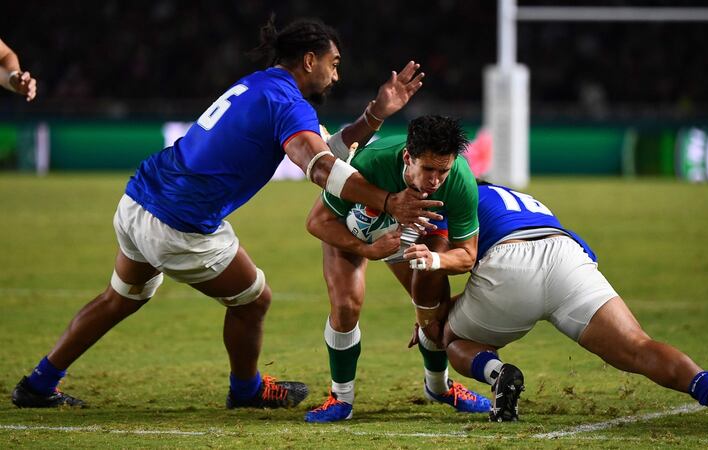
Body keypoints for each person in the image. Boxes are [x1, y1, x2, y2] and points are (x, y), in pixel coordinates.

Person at [11, 16, 442, 410]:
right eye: (333, 63)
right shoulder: (288, 104)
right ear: (309, 60)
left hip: (140, 199)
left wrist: (375, 114)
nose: (336, 73)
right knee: (254, 300)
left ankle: (39, 383)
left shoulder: (261, 85)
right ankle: (246, 389)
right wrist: (388, 202)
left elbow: (325, 151)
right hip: (179, 222)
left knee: (119, 298)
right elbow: (321, 167)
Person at [410, 181, 708, 427]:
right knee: (639, 346)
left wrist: (432, 316)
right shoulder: (515, 196)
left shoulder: (454, 198)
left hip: (508, 268)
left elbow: (442, 266)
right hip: (566, 255)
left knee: (451, 338)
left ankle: (498, 374)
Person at [303, 115, 491, 423]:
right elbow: (317, 222)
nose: (435, 180)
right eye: (428, 169)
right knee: (346, 304)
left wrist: (435, 261)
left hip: (420, 228)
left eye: (443, 170)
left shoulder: (460, 180)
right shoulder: (371, 164)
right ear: (407, 156)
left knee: (433, 304)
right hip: (355, 229)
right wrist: (367, 249)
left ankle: (438, 387)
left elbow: (467, 255)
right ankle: (341, 398)